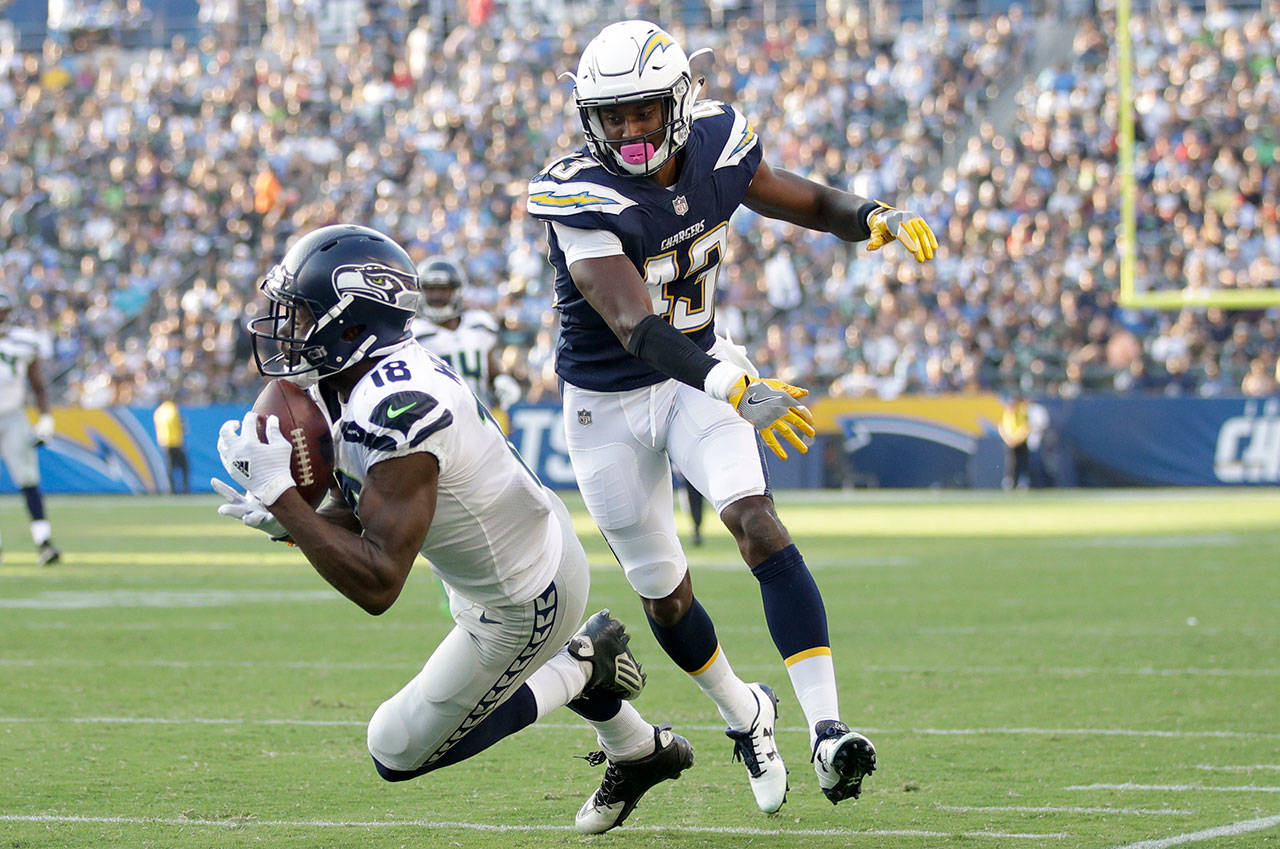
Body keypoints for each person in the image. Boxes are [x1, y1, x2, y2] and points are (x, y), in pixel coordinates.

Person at [526, 20, 938, 812]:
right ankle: (745, 713)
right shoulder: (577, 194)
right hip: (611, 404)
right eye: (613, 116)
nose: (629, 130)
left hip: (700, 376)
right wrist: (732, 383)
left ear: (678, 103)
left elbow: (803, 198)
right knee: (664, 596)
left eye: (644, 111)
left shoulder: (718, 143)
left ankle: (827, 730)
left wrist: (869, 216)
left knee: (756, 519)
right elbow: (634, 326)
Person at [211, 225, 693, 834]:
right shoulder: (354, 379)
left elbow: (379, 583)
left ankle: (583, 664)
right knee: (466, 697)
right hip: (498, 557)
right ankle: (639, 748)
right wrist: (289, 519)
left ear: (352, 324)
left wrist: (287, 501)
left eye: (304, 313)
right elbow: (367, 507)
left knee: (395, 749)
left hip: (525, 596)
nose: (289, 327)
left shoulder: (399, 409)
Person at [411, 256, 522, 416]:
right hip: (436, 421)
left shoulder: (479, 325)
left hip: (480, 418)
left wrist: (501, 380)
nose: (437, 296)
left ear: (457, 291)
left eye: (443, 289)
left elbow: (491, 368)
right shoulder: (415, 335)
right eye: (431, 289)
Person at [0, 289, 61, 566]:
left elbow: (38, 384)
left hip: (13, 415)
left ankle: (43, 542)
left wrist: (46, 417)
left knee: (27, 478)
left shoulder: (23, 342)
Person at [153, 397, 190, 494]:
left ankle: (170, 489)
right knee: (184, 466)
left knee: (169, 468)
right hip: (176, 442)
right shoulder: (173, 410)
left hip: (165, 443)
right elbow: (181, 426)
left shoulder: (159, 411)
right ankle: (184, 489)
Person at [998, 394, 1031, 490]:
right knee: (1010, 462)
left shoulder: (1022, 413)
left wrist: (1016, 439)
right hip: (1010, 442)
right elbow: (1001, 427)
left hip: (1020, 442)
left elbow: (1025, 428)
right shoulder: (1007, 414)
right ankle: (1010, 481)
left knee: (1022, 462)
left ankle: (1023, 481)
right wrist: (1007, 439)